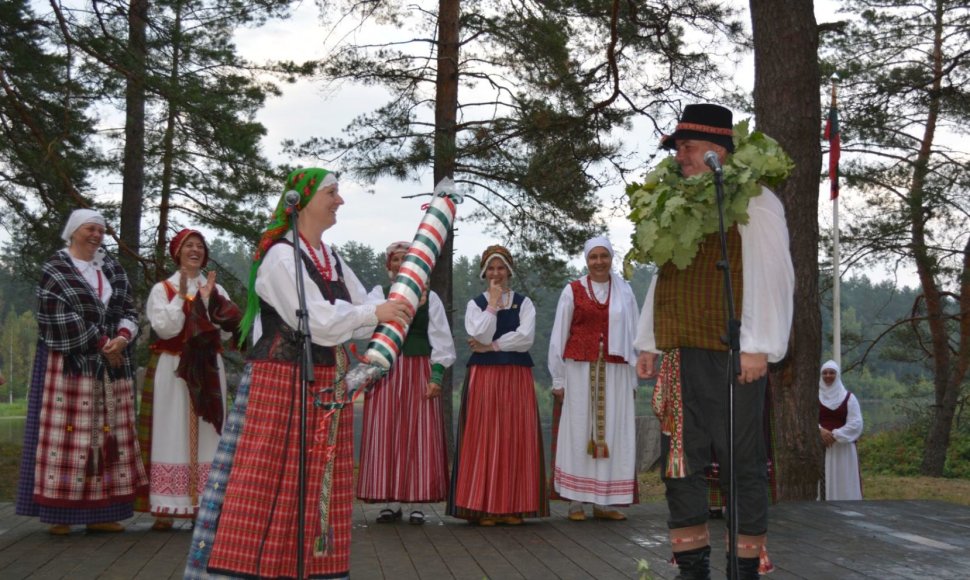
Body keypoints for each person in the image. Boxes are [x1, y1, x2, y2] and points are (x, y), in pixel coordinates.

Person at [184, 168, 411, 579]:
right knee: (267, 482)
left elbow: (360, 316)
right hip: (280, 381)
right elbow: (318, 321)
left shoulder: (332, 257)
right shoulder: (279, 256)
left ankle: (305, 570)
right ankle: (250, 570)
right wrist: (375, 312)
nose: (339, 201)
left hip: (325, 383)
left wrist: (398, 300)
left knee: (314, 486)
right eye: (332, 193)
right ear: (302, 200)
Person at [635, 103, 794, 580]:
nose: (678, 156)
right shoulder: (673, 204)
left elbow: (773, 276)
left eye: (686, 147)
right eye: (678, 148)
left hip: (733, 354)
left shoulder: (754, 200)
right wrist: (649, 342)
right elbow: (665, 277)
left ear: (717, 152)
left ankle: (743, 568)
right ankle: (692, 568)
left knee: (739, 464)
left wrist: (759, 343)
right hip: (681, 354)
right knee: (680, 464)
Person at [15, 208, 147, 535]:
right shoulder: (56, 269)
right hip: (69, 367)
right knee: (68, 438)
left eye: (100, 230)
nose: (96, 235)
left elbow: (128, 309)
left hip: (111, 366)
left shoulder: (112, 269)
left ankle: (102, 512)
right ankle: (61, 513)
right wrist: (103, 340)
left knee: (106, 439)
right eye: (90, 229)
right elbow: (55, 316)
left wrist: (122, 337)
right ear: (74, 231)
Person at [134, 229, 242, 530]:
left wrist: (209, 303)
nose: (195, 250)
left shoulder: (213, 288)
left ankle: (203, 503)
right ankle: (165, 506)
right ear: (177, 252)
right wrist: (182, 296)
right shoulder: (162, 289)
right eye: (188, 246)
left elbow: (224, 329)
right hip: (174, 367)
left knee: (208, 431)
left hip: (207, 366)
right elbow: (166, 329)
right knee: (171, 429)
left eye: (199, 246)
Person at [447, 244, 549, 525]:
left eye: (501, 267)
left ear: (509, 271)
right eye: (491, 268)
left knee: (515, 437)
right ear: (484, 272)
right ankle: (483, 506)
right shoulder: (476, 304)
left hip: (516, 375)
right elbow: (478, 331)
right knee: (484, 437)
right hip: (485, 378)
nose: (496, 273)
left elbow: (525, 339)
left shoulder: (523, 303)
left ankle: (512, 505)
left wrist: (490, 346)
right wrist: (492, 304)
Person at [356, 241, 457, 525]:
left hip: (417, 369)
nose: (401, 263)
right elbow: (367, 319)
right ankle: (390, 502)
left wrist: (436, 376)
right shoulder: (379, 295)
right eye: (396, 259)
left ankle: (416, 503)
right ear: (390, 266)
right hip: (385, 369)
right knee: (386, 432)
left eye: (406, 259)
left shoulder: (430, 297)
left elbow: (441, 340)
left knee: (418, 432)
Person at [548, 236, 639, 521]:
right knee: (579, 430)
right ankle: (576, 500)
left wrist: (635, 377)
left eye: (604, 256)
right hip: (579, 370)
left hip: (615, 371)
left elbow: (635, 333)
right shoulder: (572, 291)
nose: (599, 262)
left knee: (612, 430)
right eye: (593, 257)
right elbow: (559, 335)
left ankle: (605, 501)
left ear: (611, 258)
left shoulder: (625, 292)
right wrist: (558, 377)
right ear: (586, 261)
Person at [818, 360, 863, 501]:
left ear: (837, 375)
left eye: (832, 372)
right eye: (825, 372)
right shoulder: (814, 396)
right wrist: (820, 431)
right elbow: (807, 417)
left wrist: (835, 435)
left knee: (843, 478)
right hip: (820, 445)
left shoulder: (849, 398)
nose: (828, 375)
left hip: (842, 448)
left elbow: (856, 423)